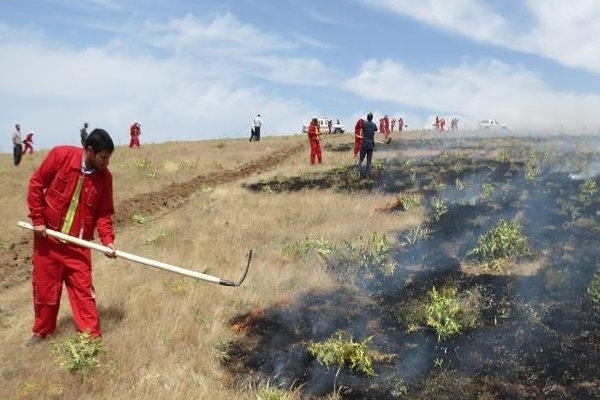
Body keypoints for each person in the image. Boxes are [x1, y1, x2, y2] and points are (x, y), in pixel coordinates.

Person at [26, 129, 117, 345]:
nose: (106, 162)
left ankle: (91, 338)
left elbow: (104, 213)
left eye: (108, 158)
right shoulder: (60, 156)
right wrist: (38, 221)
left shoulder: (105, 178)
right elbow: (36, 184)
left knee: (83, 292)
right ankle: (42, 333)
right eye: (103, 157)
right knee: (46, 291)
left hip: (78, 245)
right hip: (49, 241)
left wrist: (108, 240)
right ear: (89, 150)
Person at [357, 112, 377, 177]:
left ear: (367, 118)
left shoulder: (364, 124)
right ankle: (368, 174)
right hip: (370, 145)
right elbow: (376, 129)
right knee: (369, 160)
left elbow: (361, 127)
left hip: (364, 144)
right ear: (372, 118)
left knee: (361, 159)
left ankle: (358, 172)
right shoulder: (374, 125)